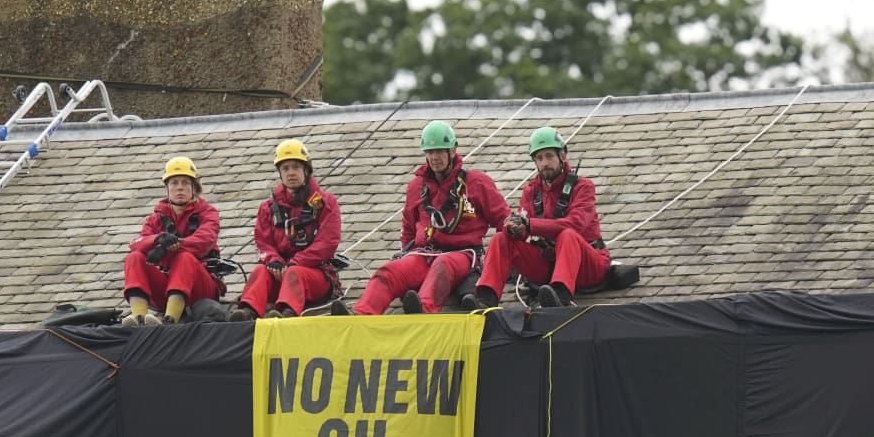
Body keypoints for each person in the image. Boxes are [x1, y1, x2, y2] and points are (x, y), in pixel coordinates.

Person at [333, 120, 509, 315]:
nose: (434, 157)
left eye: (440, 151)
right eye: (430, 152)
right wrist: (404, 259)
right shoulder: (416, 187)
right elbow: (408, 229)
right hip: (424, 253)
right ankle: (360, 314)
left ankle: (422, 311)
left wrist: (500, 265)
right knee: (389, 271)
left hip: (463, 255)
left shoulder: (476, 182)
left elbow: (504, 220)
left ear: (453, 151)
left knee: (442, 265)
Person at [465, 126, 610, 309]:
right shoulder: (531, 191)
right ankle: (486, 298)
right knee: (501, 238)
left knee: (568, 234)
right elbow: (525, 231)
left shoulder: (583, 187)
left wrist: (530, 225)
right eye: (539, 158)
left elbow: (576, 224)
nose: (544, 163)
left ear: (562, 156)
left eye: (549, 156)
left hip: (588, 265)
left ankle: (560, 296)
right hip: (549, 263)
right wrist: (514, 229)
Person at [228, 139, 342, 321]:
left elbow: (327, 244)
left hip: (316, 276)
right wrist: (274, 261)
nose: (290, 173)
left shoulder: (325, 203)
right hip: (281, 273)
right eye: (285, 168)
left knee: (294, 273)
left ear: (306, 169)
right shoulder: (268, 207)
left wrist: (294, 263)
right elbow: (262, 243)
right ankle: (247, 312)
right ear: (280, 173)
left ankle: (287, 313)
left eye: (296, 167)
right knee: (260, 271)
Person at [122, 156, 224, 325]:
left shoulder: (208, 213)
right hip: (167, 285)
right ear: (167, 188)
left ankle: (171, 320)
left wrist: (169, 247)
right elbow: (136, 243)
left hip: (201, 287)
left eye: (185, 183)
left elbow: (204, 240)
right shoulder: (155, 219)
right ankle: (139, 318)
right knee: (134, 258)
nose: (180, 188)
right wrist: (158, 239)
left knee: (184, 258)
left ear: (194, 187)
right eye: (174, 183)